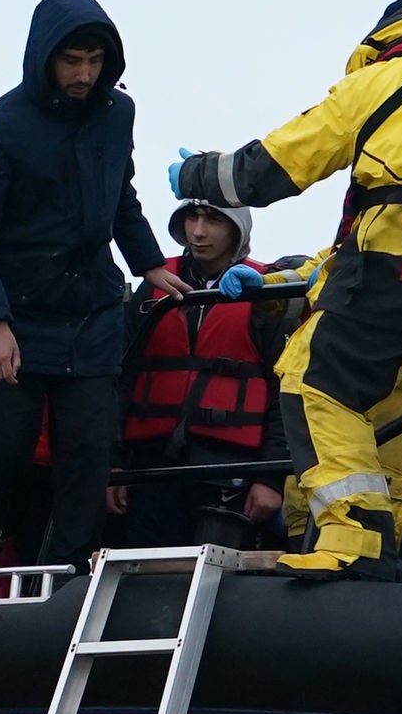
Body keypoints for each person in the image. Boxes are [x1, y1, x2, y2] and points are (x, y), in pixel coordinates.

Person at [174, 0, 402, 586]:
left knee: (318, 377)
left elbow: (272, 168)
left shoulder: (378, 82)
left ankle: (354, 536)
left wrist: (196, 176)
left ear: (381, 40)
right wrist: (290, 279)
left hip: (400, 259)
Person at [0, 0, 186, 572]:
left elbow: (120, 195)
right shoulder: (0, 127)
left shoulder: (117, 113)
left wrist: (149, 262)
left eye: (94, 62)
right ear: (44, 57)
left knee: (88, 457)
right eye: (71, 60)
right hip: (17, 318)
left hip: (92, 312)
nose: (84, 74)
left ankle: (69, 578)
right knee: (1, 454)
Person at [110, 197, 292, 551]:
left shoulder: (268, 292)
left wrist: (271, 477)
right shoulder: (153, 287)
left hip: (231, 470)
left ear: (236, 229)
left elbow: (284, 389)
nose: (198, 232)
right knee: (145, 575)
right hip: (149, 468)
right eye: (191, 218)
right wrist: (112, 466)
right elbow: (120, 381)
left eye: (213, 220)